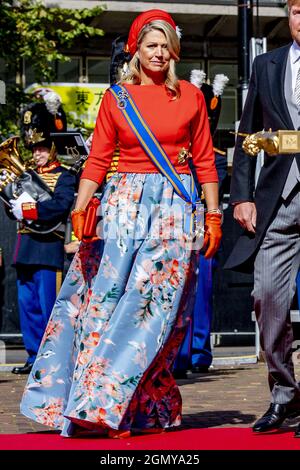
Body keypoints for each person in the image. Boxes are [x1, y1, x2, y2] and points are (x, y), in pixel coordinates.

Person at [20, 9, 221, 438]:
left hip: (174, 210)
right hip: (125, 205)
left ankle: (122, 404)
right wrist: (80, 206)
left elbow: (205, 160)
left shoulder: (190, 96)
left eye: (167, 46)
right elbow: (96, 160)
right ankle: (100, 404)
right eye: (152, 45)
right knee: (107, 302)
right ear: (136, 50)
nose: (160, 53)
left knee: (158, 311)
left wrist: (214, 215)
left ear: (175, 50)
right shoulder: (117, 98)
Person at [225, 0, 300, 437]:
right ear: (288, 16)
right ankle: (285, 396)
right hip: (277, 200)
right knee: (267, 301)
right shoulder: (266, 64)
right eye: (296, 10)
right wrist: (241, 197)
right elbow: (248, 134)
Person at [8, 93, 77, 374]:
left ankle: (52, 357)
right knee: (28, 305)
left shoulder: (64, 175)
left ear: (51, 147)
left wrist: (30, 209)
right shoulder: (24, 175)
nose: (36, 153)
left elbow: (60, 206)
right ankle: (34, 354)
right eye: (33, 149)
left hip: (49, 245)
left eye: (41, 148)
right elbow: (12, 205)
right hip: (25, 245)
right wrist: (12, 205)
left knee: (50, 306)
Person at [174, 72, 228, 378]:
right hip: (178, 224)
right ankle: (180, 354)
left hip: (202, 226)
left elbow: (213, 185)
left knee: (202, 291)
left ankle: (199, 350)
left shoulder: (215, 157)